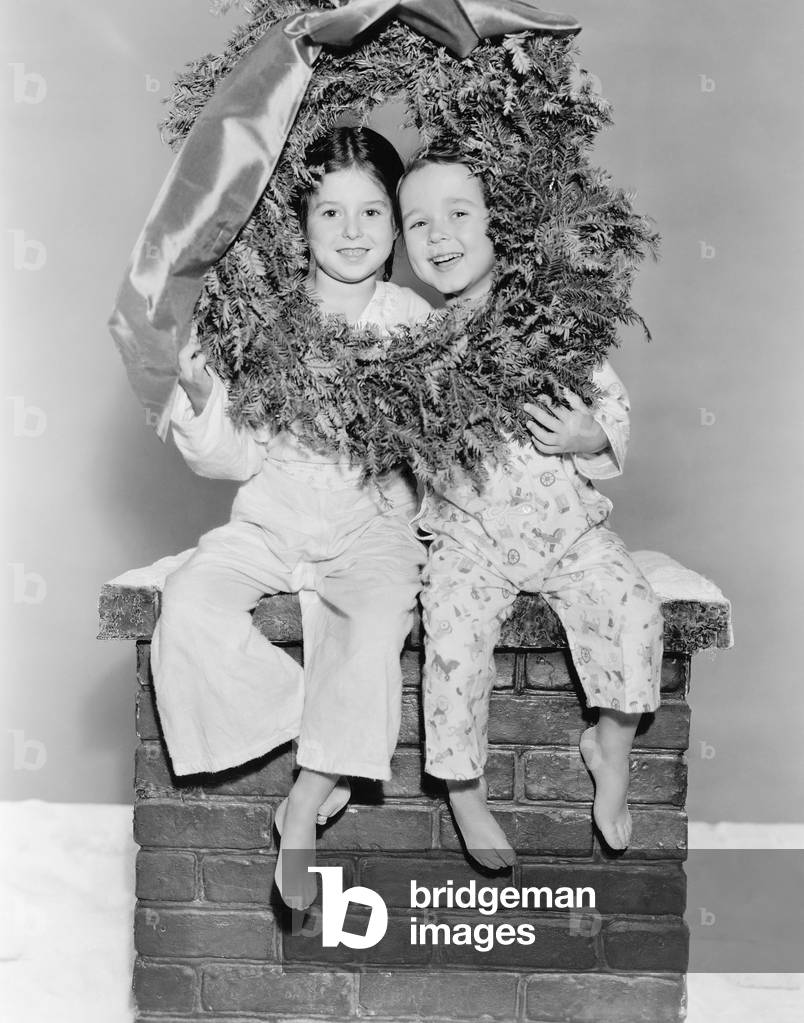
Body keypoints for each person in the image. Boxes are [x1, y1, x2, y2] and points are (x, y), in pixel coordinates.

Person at [150, 127, 430, 909]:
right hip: (273, 514)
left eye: (371, 213)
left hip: (371, 519)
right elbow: (234, 459)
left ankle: (307, 797)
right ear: (299, 222)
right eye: (329, 213)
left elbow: (444, 445)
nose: (351, 233)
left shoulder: (415, 323)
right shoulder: (266, 320)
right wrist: (207, 399)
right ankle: (327, 714)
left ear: (397, 226)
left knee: (375, 621)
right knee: (191, 599)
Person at [398, 148, 663, 867]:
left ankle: (610, 745)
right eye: (417, 221)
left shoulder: (549, 318)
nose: (439, 234)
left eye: (458, 213)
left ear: (500, 224)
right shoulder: (419, 342)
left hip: (566, 530)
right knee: (451, 639)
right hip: (471, 537)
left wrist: (587, 433)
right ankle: (464, 789)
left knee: (635, 608)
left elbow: (609, 402)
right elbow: (399, 444)